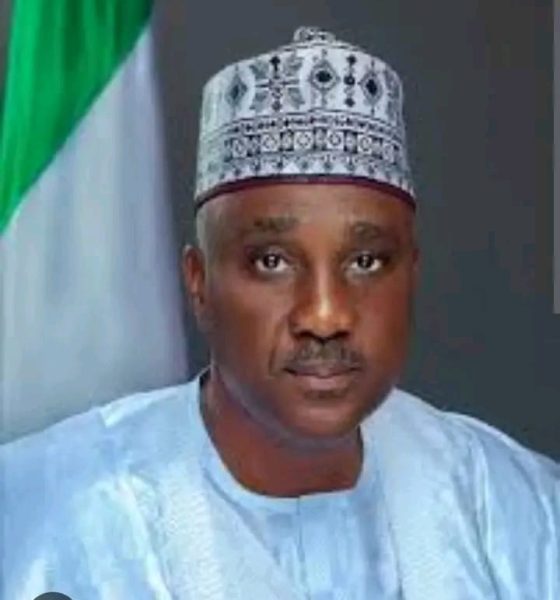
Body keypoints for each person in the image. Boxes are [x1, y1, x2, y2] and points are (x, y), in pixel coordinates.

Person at [2, 27, 558, 600]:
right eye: (272, 261)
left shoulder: (516, 508)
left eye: (365, 261)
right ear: (199, 283)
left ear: (411, 273)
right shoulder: (45, 520)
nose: (325, 315)